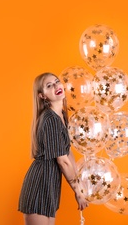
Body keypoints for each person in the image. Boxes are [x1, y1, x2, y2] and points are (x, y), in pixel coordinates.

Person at [18, 72, 88, 225]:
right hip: (40, 183)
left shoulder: (62, 115)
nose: (56, 86)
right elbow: (62, 161)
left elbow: (67, 152)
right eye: (49, 85)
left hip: (51, 185)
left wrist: (79, 184)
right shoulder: (50, 119)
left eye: (57, 82)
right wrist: (77, 191)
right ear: (42, 95)